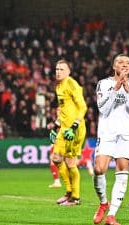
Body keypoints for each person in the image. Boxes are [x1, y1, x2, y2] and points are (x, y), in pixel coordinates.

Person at [92, 53, 129, 225]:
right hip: (107, 133)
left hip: (127, 134)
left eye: (127, 62)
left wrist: (127, 90)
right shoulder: (104, 84)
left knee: (122, 173)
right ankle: (103, 202)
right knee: (99, 169)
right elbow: (103, 108)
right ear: (114, 66)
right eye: (120, 62)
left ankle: (112, 215)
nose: (124, 65)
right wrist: (116, 88)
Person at [49, 59, 87, 206]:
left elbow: (82, 107)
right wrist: (56, 125)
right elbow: (65, 111)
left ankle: (76, 197)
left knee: (70, 163)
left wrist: (75, 125)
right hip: (64, 128)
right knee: (56, 158)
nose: (58, 72)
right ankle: (69, 191)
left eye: (62, 69)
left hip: (74, 129)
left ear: (68, 71)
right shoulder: (58, 86)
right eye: (57, 69)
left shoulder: (71, 84)